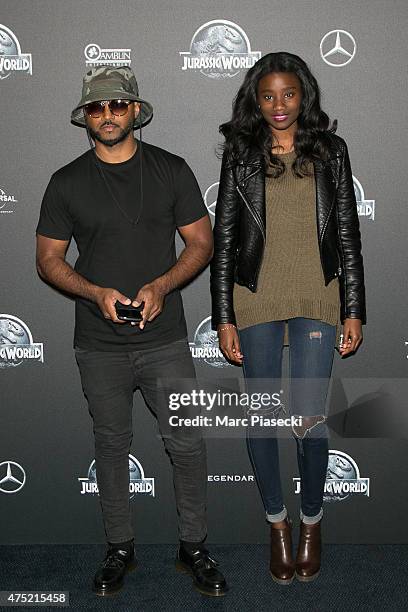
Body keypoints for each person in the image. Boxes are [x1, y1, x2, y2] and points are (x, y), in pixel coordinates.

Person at [36, 65, 227, 598]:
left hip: (165, 340)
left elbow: (201, 244)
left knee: (187, 445)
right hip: (98, 347)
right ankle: (119, 548)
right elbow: (48, 259)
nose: (108, 116)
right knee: (111, 445)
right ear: (84, 118)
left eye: (118, 106)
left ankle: (194, 547)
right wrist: (94, 293)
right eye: (96, 108)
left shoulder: (171, 170)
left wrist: (162, 286)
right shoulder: (66, 181)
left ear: (136, 111)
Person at [210, 52, 366, 584]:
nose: (279, 105)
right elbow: (225, 237)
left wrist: (353, 309)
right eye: (269, 95)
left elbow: (347, 234)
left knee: (307, 419)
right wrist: (224, 316)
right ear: (256, 98)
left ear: (305, 96)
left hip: (318, 298)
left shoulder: (332, 152)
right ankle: (276, 524)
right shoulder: (240, 153)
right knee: (260, 420)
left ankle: (311, 523)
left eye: (289, 94)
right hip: (254, 298)